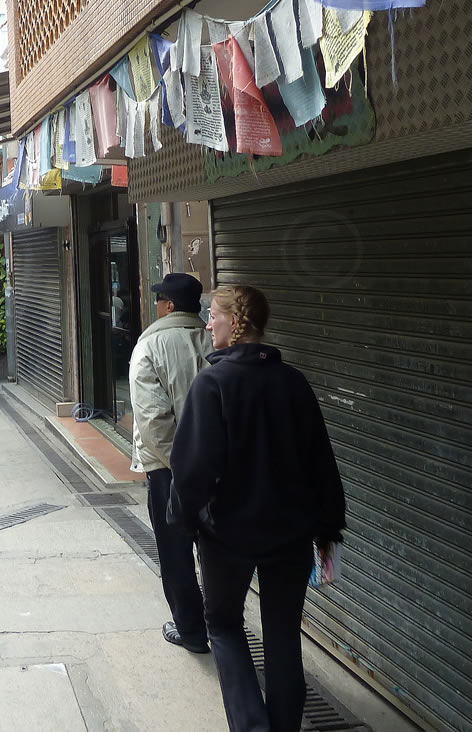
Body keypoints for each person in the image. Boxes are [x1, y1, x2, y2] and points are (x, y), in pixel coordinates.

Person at [169, 285, 347, 732]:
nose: (208, 324)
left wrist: (183, 523)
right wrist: (328, 526)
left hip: (227, 536)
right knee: (284, 634)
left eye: (213, 316)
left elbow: (192, 469)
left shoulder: (212, 384)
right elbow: (320, 460)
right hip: (290, 535)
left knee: (224, 624)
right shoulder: (293, 383)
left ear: (236, 322)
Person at [127, 274, 212, 655]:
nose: (156, 307)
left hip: (168, 470)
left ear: (170, 306)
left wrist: (180, 468)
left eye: (160, 300)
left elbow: (153, 420)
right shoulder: (215, 338)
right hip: (218, 465)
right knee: (215, 547)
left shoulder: (150, 345)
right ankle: (223, 622)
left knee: (176, 552)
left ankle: (191, 630)